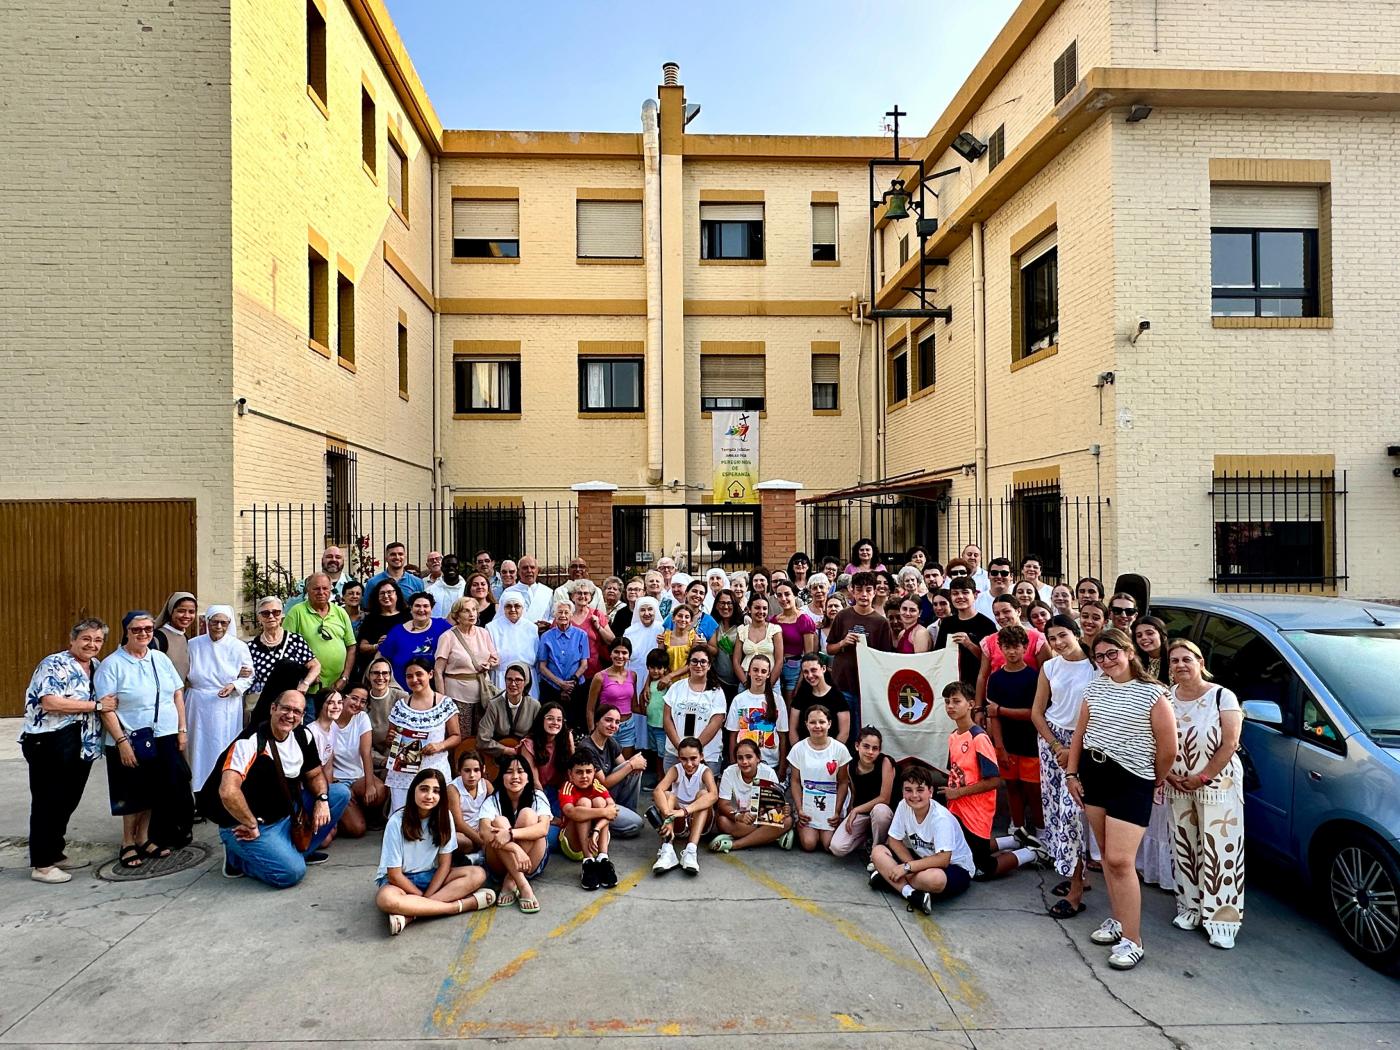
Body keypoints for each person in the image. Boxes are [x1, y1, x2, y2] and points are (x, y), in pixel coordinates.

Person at [1067, 627, 1177, 970]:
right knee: (1106, 856)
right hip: (1094, 775)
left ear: (1129, 652)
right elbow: (1079, 735)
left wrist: (1152, 780)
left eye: (1112, 653)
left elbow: (1168, 748)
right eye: (1099, 657)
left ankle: (1133, 939)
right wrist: (1072, 774)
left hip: (1132, 780)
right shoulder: (1094, 688)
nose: (1106, 661)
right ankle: (1118, 920)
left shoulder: (1154, 694)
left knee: (1119, 861)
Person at [202, 688, 351, 886]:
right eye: (285, 709)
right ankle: (237, 859)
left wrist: (322, 799)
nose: (290, 716)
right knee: (291, 873)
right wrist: (251, 823)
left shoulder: (302, 736)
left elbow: (315, 774)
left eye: (297, 712)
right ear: (273, 708)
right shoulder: (250, 742)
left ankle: (293, 852)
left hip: (288, 813)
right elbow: (228, 791)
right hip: (252, 825)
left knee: (339, 794)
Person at [21, 618, 116, 883]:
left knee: (67, 800)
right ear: (72, 640)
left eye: (98, 640)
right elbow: (50, 702)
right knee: (46, 802)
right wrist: (96, 706)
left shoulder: (96, 666)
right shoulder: (54, 663)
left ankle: (55, 853)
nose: (92, 644)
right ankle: (41, 864)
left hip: (81, 742)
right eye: (86, 639)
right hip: (49, 740)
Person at [1164, 639, 1245, 949]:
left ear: (1200, 662)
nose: (1181, 665)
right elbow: (1158, 738)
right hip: (1177, 783)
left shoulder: (1222, 696)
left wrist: (1203, 776)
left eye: (1187, 659)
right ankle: (1191, 907)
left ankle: (1222, 917)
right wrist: (1169, 774)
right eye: (1174, 661)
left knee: (1219, 847)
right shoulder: (1166, 697)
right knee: (1184, 843)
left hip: (1216, 782)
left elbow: (1230, 743)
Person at [96, 611, 189, 867]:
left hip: (163, 735)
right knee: (132, 791)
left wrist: (182, 730)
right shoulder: (112, 664)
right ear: (126, 631)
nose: (144, 634)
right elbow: (107, 708)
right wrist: (122, 742)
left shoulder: (159, 659)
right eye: (137, 629)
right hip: (131, 739)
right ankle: (127, 842)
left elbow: (177, 694)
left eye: (148, 628)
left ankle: (144, 837)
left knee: (154, 790)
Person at [941, 681, 1042, 880]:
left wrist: (958, 793)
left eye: (956, 701)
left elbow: (995, 781)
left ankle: (1032, 852)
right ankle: (1013, 840)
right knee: (961, 855)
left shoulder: (979, 738)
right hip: (958, 808)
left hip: (976, 812)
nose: (950, 706)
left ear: (970, 704)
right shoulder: (954, 736)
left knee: (981, 869)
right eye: (946, 702)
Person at [1032, 615, 1098, 916]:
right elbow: (1038, 712)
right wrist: (1057, 746)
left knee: (1073, 815)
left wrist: (1074, 750)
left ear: (1075, 633)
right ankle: (1076, 876)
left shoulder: (1096, 667)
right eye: (1052, 638)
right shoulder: (1049, 667)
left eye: (1063, 636)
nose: (1058, 643)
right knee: (1056, 814)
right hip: (1052, 743)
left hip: (1085, 744)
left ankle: (1075, 890)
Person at [375, 768, 493, 935]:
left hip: (432, 876)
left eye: (436, 791)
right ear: (413, 790)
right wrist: (421, 896)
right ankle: (457, 906)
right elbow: (394, 874)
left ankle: (411, 915)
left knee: (477, 874)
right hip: (400, 881)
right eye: (424, 789)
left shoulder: (444, 817)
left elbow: (445, 865)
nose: (429, 796)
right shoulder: (396, 821)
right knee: (385, 899)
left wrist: (424, 898)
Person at [869, 764, 976, 912]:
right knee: (878, 851)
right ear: (902, 791)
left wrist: (907, 868)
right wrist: (911, 867)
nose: (914, 795)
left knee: (935, 879)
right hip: (921, 858)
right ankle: (911, 894)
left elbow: (943, 859)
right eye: (908, 790)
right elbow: (893, 840)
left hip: (955, 867)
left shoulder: (940, 818)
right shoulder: (903, 805)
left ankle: (888, 879)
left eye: (920, 790)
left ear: (930, 791)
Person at [985, 625, 1043, 845]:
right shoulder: (996, 679)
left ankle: (1041, 830)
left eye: (1016, 647)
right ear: (1000, 648)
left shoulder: (1035, 677)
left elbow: (1033, 714)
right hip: (1007, 743)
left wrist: (1001, 710)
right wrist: (999, 746)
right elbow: (993, 717)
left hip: (1031, 743)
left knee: (1033, 789)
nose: (1011, 652)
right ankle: (1016, 827)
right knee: (1012, 787)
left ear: (1025, 647)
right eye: (1007, 647)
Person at [185, 605, 254, 790]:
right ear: (207, 622)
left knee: (222, 747)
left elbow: (249, 676)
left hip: (226, 705)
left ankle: (221, 790)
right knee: (197, 750)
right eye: (215, 622)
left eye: (223, 622)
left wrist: (234, 685)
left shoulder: (239, 647)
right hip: (198, 704)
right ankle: (197, 791)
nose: (219, 626)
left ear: (229, 624)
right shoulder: (193, 644)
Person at [385, 657, 462, 815]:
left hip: (434, 769)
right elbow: (390, 739)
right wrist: (392, 739)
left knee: (433, 818)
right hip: (403, 772)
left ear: (431, 674)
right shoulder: (400, 706)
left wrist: (439, 746)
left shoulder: (445, 704)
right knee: (401, 816)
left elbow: (456, 736)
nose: (414, 679)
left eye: (419, 674)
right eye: (409, 676)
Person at [479, 755, 550, 913]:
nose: (515, 777)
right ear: (502, 776)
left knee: (528, 815)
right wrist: (515, 849)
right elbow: (484, 832)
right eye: (509, 772)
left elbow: (543, 829)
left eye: (520, 772)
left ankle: (511, 880)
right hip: (499, 863)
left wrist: (510, 834)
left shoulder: (537, 797)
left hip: (530, 861)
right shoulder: (493, 800)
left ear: (528, 778)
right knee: (499, 822)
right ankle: (523, 884)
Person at [825, 571, 895, 733]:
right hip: (842, 683)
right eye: (859, 590)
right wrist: (843, 642)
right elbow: (829, 649)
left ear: (875, 591)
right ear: (852, 591)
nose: (864, 595)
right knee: (843, 729)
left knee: (863, 730)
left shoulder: (881, 623)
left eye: (868, 590)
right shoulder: (842, 616)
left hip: (867, 687)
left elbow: (884, 658)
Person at [282, 573, 357, 704]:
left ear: (330, 590)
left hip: (336, 687)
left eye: (325, 588)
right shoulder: (296, 612)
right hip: (309, 688)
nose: (321, 592)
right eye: (316, 589)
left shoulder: (340, 612)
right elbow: (286, 648)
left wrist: (344, 678)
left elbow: (351, 647)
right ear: (307, 590)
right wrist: (305, 674)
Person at [576, 703, 647, 836]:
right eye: (608, 720)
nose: (613, 725)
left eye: (617, 722)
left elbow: (624, 767)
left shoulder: (610, 741)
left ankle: (627, 811)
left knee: (633, 770)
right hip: (594, 799)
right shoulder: (587, 748)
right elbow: (603, 783)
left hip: (608, 795)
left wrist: (634, 764)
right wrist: (631, 764)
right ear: (597, 721)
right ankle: (598, 825)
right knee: (636, 825)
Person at [434, 596, 499, 740]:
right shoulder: (447, 637)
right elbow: (438, 671)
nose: (472, 614)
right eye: (466, 611)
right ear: (457, 615)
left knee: (482, 736)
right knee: (461, 737)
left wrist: (488, 665)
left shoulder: (483, 633)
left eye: (474, 610)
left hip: (483, 694)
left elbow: (495, 658)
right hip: (457, 696)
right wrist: (443, 700)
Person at [650, 737, 718, 876]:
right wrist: (668, 814)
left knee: (704, 794)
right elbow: (658, 791)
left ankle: (691, 851)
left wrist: (684, 811)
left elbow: (714, 796)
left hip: (699, 824)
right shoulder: (676, 770)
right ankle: (667, 848)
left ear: (701, 756)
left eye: (693, 758)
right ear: (678, 758)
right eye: (684, 759)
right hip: (678, 825)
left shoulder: (705, 772)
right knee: (668, 795)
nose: (689, 764)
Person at [788, 705, 851, 853]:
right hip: (808, 807)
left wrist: (837, 811)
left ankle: (829, 827)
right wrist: (800, 809)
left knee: (828, 844)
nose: (817, 726)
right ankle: (798, 826)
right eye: (813, 722)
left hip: (830, 808)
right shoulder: (798, 749)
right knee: (809, 844)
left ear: (829, 723)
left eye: (822, 722)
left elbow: (843, 782)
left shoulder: (839, 749)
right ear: (806, 724)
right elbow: (795, 782)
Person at [711, 738, 791, 853]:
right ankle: (770, 836)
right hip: (740, 820)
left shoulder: (768, 772)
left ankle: (736, 844)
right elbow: (723, 805)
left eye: (749, 757)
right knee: (722, 821)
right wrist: (739, 816)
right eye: (740, 758)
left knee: (787, 820)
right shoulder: (729, 772)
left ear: (758, 758)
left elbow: (775, 806)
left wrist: (783, 808)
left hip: (761, 819)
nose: (744, 762)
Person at [247, 596, 320, 721]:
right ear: (259, 618)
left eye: (276, 612)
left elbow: (315, 665)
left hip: (289, 703)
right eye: (265, 613)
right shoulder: (251, 647)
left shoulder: (295, 640)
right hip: (262, 704)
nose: (271, 616)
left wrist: (305, 684)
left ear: (282, 615)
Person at [828, 726, 895, 859]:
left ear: (879, 750)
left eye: (875, 748)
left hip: (884, 813)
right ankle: (866, 838)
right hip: (862, 813)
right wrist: (849, 812)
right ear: (857, 746)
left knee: (880, 812)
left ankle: (877, 851)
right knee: (837, 847)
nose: (870, 752)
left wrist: (856, 810)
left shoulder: (885, 762)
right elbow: (853, 792)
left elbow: (884, 798)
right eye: (866, 746)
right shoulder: (850, 765)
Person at [558, 751, 620, 891]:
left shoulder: (597, 784)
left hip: (595, 842)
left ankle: (603, 858)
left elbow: (612, 810)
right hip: (573, 845)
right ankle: (588, 862)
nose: (584, 776)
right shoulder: (567, 787)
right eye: (579, 772)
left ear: (594, 772)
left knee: (599, 801)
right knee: (584, 803)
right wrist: (604, 812)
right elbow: (571, 812)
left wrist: (597, 830)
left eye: (588, 772)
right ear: (570, 774)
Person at [330, 684, 383, 838]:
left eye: (363, 701)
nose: (357, 704)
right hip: (337, 780)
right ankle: (342, 816)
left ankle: (357, 811)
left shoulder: (362, 718)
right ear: (343, 697)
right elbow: (325, 761)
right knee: (357, 830)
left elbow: (365, 752)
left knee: (379, 791)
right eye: (354, 698)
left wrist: (370, 783)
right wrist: (341, 788)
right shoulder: (330, 719)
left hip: (357, 776)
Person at [663, 649, 727, 777]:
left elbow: (716, 723)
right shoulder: (676, 687)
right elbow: (667, 719)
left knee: (704, 794)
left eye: (703, 662)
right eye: (694, 661)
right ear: (688, 664)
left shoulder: (716, 691)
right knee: (671, 792)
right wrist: (681, 749)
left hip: (706, 754)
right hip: (675, 752)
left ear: (709, 665)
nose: (698, 665)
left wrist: (694, 751)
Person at [520, 701, 573, 852]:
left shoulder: (565, 739)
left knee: (572, 828)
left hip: (558, 794)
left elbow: (571, 775)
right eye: (550, 718)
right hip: (536, 796)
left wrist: (570, 808)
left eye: (559, 720)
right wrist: (550, 816)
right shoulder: (528, 744)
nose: (555, 723)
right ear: (541, 719)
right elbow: (534, 783)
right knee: (553, 838)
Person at [724, 653, 788, 771]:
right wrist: (733, 763)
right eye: (755, 670)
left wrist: (782, 767)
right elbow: (732, 734)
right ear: (749, 672)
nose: (759, 674)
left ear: (768, 675)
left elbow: (782, 736)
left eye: (763, 671)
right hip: (743, 763)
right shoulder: (739, 699)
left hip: (770, 763)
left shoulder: (777, 700)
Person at [476, 662, 541, 767]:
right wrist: (506, 750)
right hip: (498, 760)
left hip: (525, 759)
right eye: (509, 679)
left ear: (526, 682)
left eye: (518, 680)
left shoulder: (534, 706)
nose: (513, 684)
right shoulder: (494, 705)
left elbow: (539, 738)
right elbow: (482, 739)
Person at [934, 576, 996, 686]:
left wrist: (970, 644)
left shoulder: (987, 625)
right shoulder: (947, 623)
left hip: (976, 684)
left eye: (965, 592)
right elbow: (938, 654)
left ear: (975, 595)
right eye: (955, 593)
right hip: (951, 683)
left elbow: (993, 661)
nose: (960, 597)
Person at [379, 592, 450, 688]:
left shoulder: (441, 626)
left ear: (431, 609)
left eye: (426, 606)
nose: (421, 610)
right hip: (402, 690)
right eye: (417, 606)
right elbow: (383, 657)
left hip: (433, 690)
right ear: (411, 608)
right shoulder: (397, 631)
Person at [536, 601, 589, 728]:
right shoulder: (546, 636)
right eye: (560, 612)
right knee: (551, 723)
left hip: (575, 687)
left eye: (566, 612)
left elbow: (584, 664)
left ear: (571, 615)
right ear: (554, 615)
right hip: (551, 688)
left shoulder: (581, 635)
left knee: (575, 724)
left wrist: (571, 683)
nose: (563, 615)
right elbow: (542, 666)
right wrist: (561, 684)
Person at [789, 652, 851, 745]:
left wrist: (831, 755)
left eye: (813, 670)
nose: (810, 675)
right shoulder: (801, 696)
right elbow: (793, 730)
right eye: (806, 672)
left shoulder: (837, 696)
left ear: (823, 669)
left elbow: (844, 733)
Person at [487, 591, 539, 698]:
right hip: (502, 678)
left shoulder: (532, 628)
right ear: (502, 608)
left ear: (522, 608)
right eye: (508, 606)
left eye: (517, 606)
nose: (513, 609)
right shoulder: (492, 628)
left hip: (527, 678)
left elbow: (537, 656)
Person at [361, 656, 407, 777]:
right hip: (367, 758)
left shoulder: (402, 698)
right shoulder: (362, 701)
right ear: (368, 675)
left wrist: (391, 758)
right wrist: (381, 760)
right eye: (376, 673)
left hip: (396, 756)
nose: (380, 677)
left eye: (385, 673)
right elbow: (358, 742)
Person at [771, 581, 816, 696]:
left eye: (787, 594)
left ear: (794, 595)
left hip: (794, 668)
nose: (783, 598)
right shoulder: (774, 621)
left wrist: (801, 680)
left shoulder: (804, 620)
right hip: (775, 667)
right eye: (779, 595)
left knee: (790, 703)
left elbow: (808, 655)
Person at [447, 749, 492, 859]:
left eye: (476, 770)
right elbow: (459, 823)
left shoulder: (485, 784)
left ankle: (476, 856)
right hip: (463, 832)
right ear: (459, 770)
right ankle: (478, 854)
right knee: (458, 840)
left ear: (483, 769)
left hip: (482, 828)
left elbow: (496, 808)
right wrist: (482, 842)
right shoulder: (453, 789)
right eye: (467, 770)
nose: (472, 775)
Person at [586, 638, 637, 736]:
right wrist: (592, 733)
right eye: (616, 652)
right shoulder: (600, 677)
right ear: (611, 654)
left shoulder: (633, 676)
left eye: (624, 653)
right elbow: (590, 709)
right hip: (606, 727)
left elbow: (634, 706)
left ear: (629, 656)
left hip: (628, 727)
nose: (620, 656)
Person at [733, 595, 783, 691]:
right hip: (747, 678)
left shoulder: (775, 629)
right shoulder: (742, 630)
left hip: (770, 679)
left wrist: (769, 685)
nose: (761, 612)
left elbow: (779, 661)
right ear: (749, 609)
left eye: (764, 608)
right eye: (757, 608)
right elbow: (736, 661)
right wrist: (745, 683)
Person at [569, 579, 614, 682]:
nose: (582, 596)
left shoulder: (597, 614)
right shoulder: (565, 616)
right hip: (569, 670)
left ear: (590, 597)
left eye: (586, 593)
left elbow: (612, 640)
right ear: (572, 596)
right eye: (579, 593)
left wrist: (598, 627)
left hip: (594, 670)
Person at [358, 578, 411, 665]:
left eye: (390, 592)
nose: (386, 596)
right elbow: (362, 647)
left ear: (397, 594)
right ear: (377, 597)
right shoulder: (371, 619)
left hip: (404, 665)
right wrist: (377, 646)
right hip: (379, 669)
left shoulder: (407, 616)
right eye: (382, 593)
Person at [361, 541, 426, 610]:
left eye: (400, 554)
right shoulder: (373, 582)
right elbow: (367, 609)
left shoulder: (417, 582)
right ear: (386, 558)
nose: (397, 557)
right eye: (393, 554)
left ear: (405, 557)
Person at [151, 591, 197, 681]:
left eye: (191, 612)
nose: (187, 616)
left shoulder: (185, 638)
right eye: (181, 611)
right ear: (171, 611)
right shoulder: (158, 638)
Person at [641, 648, 671, 777]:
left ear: (665, 669)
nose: (655, 671)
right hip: (651, 724)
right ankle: (659, 777)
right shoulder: (650, 683)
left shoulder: (667, 684)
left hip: (662, 726)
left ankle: (663, 780)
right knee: (656, 753)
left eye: (659, 668)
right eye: (652, 667)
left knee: (662, 754)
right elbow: (643, 696)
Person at [709, 589, 743, 698]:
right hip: (718, 680)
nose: (726, 606)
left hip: (739, 681)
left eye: (729, 603)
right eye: (722, 603)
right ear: (716, 605)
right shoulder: (713, 624)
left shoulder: (743, 625)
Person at [657, 604, 700, 687]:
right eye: (680, 616)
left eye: (687, 617)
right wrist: (667, 677)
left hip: (688, 681)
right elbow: (661, 661)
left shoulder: (693, 637)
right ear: (673, 618)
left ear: (691, 621)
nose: (683, 619)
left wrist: (671, 675)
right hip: (668, 681)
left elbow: (692, 663)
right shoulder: (665, 636)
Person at [515, 556, 557, 626]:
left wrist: (547, 624)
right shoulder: (509, 592)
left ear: (537, 571)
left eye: (532, 567)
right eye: (525, 568)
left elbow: (553, 616)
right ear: (518, 571)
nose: (529, 571)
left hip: (543, 635)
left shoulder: (547, 592)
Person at [1133, 615, 1171, 684]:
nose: (1143, 638)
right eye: (1139, 635)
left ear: (1163, 636)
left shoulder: (1173, 660)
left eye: (1150, 633)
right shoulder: (1136, 661)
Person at [427, 554, 466, 618]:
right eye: (447, 566)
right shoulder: (430, 591)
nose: (451, 568)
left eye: (454, 565)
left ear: (459, 567)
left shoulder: (467, 589)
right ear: (442, 568)